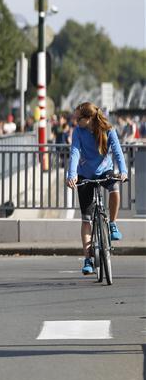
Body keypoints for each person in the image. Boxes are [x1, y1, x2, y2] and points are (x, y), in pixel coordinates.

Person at [65, 102, 129, 275]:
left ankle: (113, 224)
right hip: (85, 173)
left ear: (89, 118)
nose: (75, 121)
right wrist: (71, 175)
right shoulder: (78, 132)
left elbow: (117, 152)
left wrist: (123, 171)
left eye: (78, 118)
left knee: (114, 189)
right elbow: (75, 152)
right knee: (86, 219)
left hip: (104, 171)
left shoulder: (108, 130)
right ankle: (87, 259)